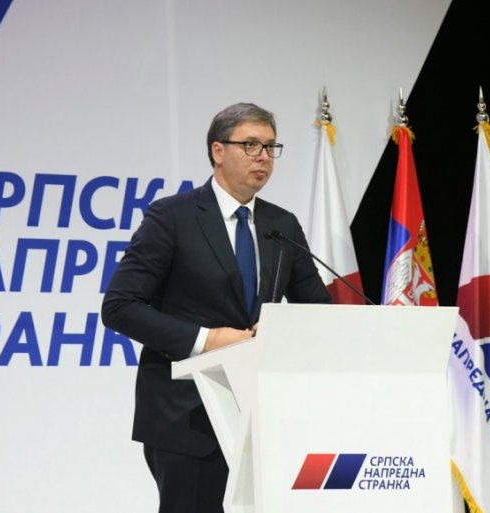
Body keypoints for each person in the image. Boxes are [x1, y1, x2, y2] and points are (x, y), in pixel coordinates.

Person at [101, 102, 332, 513]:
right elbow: (120, 306)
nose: (263, 156)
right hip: (186, 414)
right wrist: (208, 340)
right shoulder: (173, 216)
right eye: (251, 145)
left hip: (261, 414)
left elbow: (317, 311)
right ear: (218, 151)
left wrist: (280, 332)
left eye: (270, 147)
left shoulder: (282, 225)